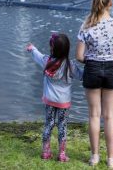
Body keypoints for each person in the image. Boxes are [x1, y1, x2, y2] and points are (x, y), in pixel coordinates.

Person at [76, 0, 113, 169]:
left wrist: (92, 56)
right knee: (110, 116)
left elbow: (79, 56)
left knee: (94, 115)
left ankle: (94, 157)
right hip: (112, 68)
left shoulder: (86, 26)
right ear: (110, 3)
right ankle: (112, 159)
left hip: (92, 69)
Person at [26, 33, 82, 162]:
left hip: (50, 100)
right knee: (62, 126)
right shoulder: (70, 65)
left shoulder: (47, 61)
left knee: (48, 124)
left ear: (52, 48)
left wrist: (32, 48)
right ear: (67, 49)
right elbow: (82, 76)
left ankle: (46, 152)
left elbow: (37, 56)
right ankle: (62, 154)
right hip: (64, 103)